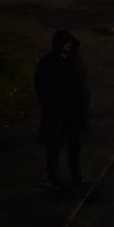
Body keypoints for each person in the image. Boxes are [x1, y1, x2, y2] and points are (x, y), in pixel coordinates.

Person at [34, 29, 90, 189]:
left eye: (70, 45)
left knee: (74, 145)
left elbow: (83, 87)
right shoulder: (48, 63)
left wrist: (84, 108)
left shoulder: (76, 62)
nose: (68, 48)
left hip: (73, 112)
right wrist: (49, 103)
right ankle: (52, 176)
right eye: (65, 45)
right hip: (56, 112)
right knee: (54, 146)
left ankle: (75, 172)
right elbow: (41, 86)